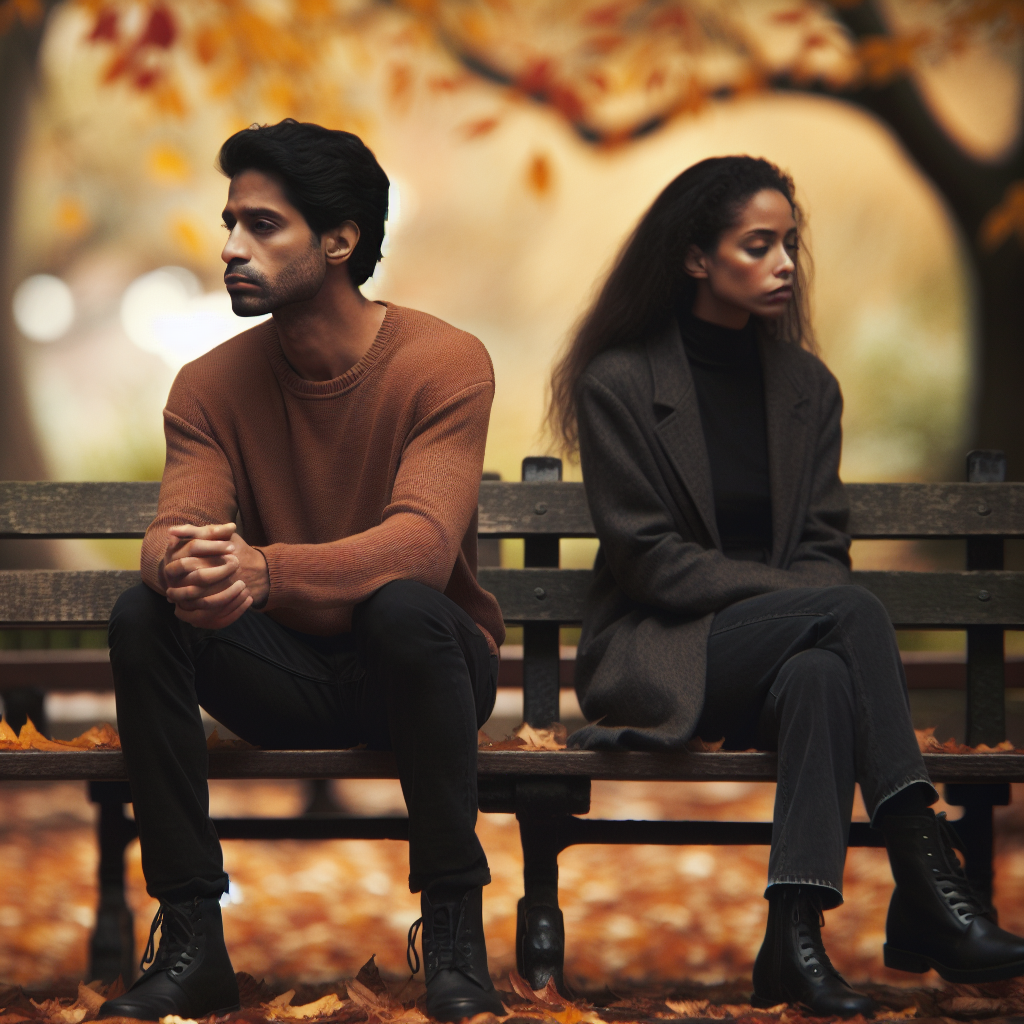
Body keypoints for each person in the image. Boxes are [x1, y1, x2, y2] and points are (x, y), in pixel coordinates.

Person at [547, 156, 1024, 1016]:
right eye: (757, 245)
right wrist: (796, 598)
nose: (785, 265)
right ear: (697, 259)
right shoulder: (619, 382)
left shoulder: (809, 387)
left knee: (821, 671)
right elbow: (651, 560)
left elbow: (820, 544)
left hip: (782, 659)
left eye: (790, 245)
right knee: (844, 611)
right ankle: (928, 882)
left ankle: (793, 944)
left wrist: (804, 604)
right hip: (663, 652)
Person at [99, 119, 507, 1024]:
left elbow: (422, 547)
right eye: (229, 222)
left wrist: (264, 571)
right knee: (143, 615)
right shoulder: (207, 387)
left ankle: (452, 938)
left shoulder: (446, 363)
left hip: (426, 670)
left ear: (339, 240)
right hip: (287, 675)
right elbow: (174, 531)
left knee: (403, 607)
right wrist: (186, 564)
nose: (231, 247)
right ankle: (193, 937)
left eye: (263, 226)